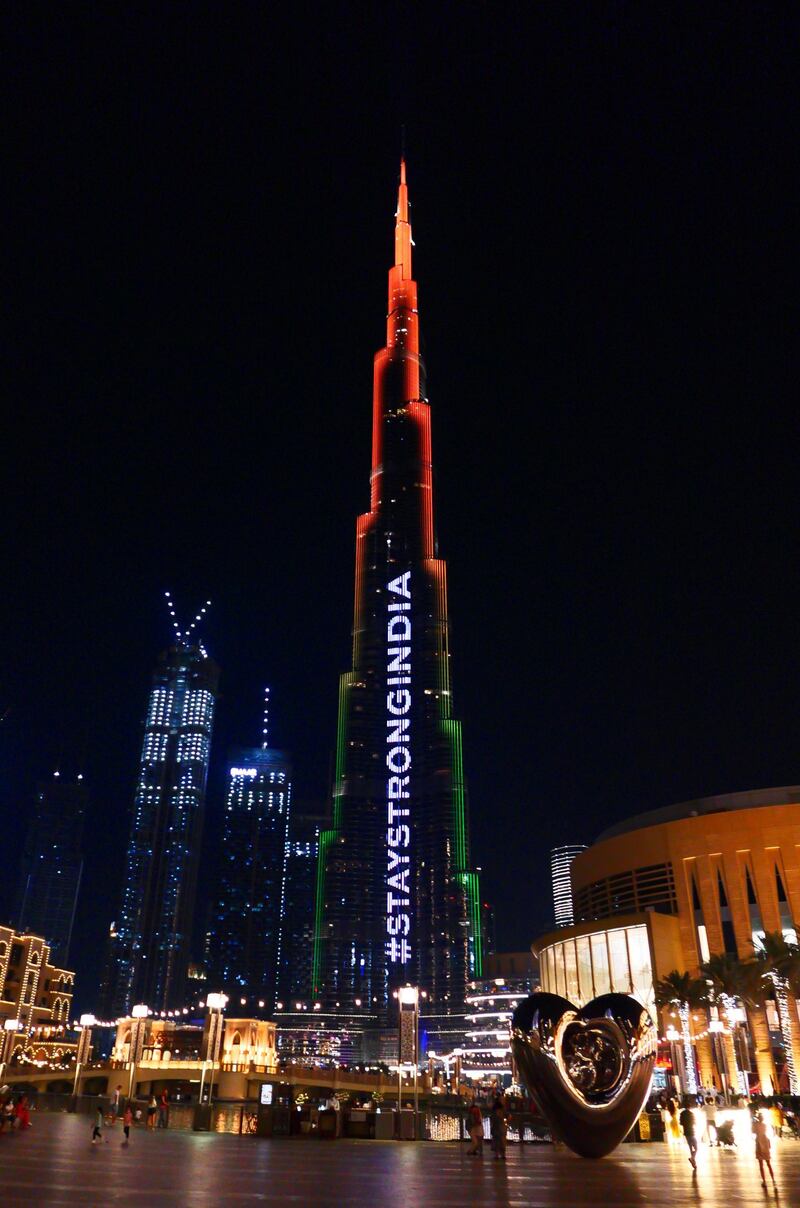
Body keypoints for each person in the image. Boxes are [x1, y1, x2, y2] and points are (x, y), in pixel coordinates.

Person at [754, 1111, 777, 1188]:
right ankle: (773, 1180)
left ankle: (764, 1181)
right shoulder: (764, 1125)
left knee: (761, 1165)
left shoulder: (755, 1125)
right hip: (765, 1142)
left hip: (759, 1143)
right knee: (768, 1164)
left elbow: (754, 1131)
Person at [679, 1100, 698, 1171]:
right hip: (691, 1131)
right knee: (696, 1147)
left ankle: (693, 1162)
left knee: (690, 1147)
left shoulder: (682, 1114)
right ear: (690, 1107)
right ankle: (692, 1158)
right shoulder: (691, 1114)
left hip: (686, 1131)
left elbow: (681, 1123)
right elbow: (694, 1122)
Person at [491, 1095, 508, 1161]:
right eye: (502, 1099)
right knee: (501, 1141)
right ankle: (502, 1155)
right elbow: (508, 1116)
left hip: (497, 1127)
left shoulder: (495, 1109)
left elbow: (492, 1118)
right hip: (500, 1127)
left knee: (497, 1141)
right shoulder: (503, 1109)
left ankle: (497, 1155)